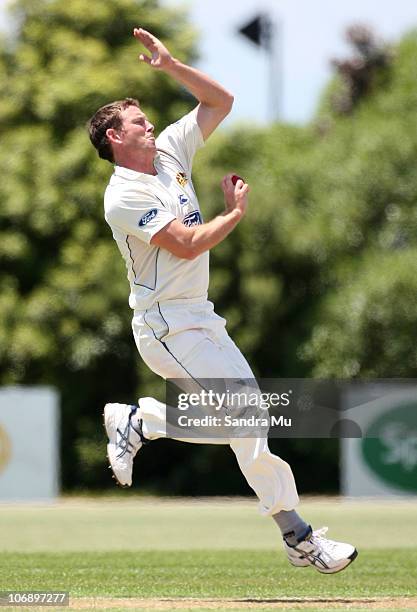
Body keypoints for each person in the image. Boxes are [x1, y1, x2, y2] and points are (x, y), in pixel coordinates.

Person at [88, 27, 357, 574]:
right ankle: (299, 538)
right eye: (138, 121)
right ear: (116, 138)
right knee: (250, 420)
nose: (151, 123)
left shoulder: (169, 152)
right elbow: (185, 245)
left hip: (198, 318)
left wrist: (170, 65)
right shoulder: (123, 196)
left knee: (247, 421)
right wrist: (232, 215)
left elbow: (221, 101)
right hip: (166, 326)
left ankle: (146, 422)